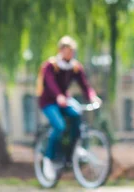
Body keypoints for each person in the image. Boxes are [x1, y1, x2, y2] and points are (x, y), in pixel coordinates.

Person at [36, 35, 98, 180]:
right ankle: (48, 159)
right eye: (67, 51)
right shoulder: (50, 66)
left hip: (64, 100)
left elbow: (84, 85)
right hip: (49, 101)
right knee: (59, 126)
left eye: (72, 51)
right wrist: (59, 95)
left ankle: (73, 151)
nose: (70, 54)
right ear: (61, 50)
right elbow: (50, 83)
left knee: (77, 115)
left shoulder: (75, 67)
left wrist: (92, 95)